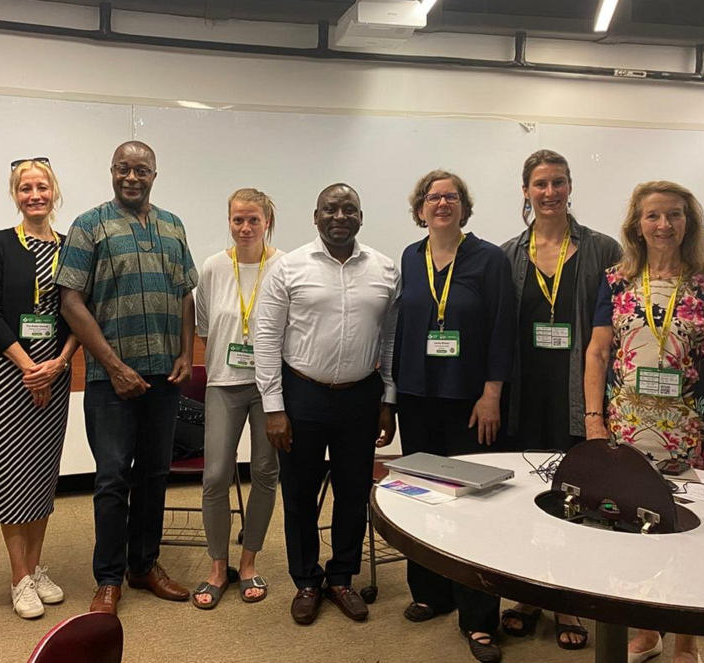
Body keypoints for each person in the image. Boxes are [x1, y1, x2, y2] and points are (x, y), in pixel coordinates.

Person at [584, 180, 704, 663]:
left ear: (688, 222)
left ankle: (685, 644)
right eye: (653, 216)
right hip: (625, 430)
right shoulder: (615, 281)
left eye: (674, 215)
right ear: (637, 224)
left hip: (692, 434)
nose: (663, 225)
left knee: (691, 535)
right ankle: (647, 630)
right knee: (633, 529)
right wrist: (593, 421)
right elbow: (597, 352)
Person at [56, 141, 198, 616]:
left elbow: (184, 294)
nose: (131, 177)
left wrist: (186, 352)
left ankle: (145, 565)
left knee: (155, 474)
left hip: (163, 377)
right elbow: (71, 302)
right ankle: (108, 578)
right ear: (111, 171)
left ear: (154, 174)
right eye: (123, 169)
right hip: (108, 380)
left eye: (141, 170)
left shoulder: (173, 225)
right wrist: (115, 367)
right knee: (113, 479)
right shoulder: (88, 225)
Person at [255, 183, 400, 626]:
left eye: (349, 209)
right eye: (331, 209)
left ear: (361, 216)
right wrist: (274, 407)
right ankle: (306, 580)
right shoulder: (289, 267)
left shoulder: (385, 269)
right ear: (316, 217)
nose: (340, 216)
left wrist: (389, 398)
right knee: (298, 492)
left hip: (361, 394)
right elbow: (265, 337)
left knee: (354, 491)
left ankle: (342, 578)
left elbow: (391, 339)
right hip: (302, 394)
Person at [499, 149, 620, 648]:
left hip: (579, 393)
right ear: (525, 191)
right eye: (540, 184)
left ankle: (568, 603)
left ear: (570, 187)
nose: (550, 193)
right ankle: (528, 593)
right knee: (529, 495)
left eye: (559, 182)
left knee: (577, 496)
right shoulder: (507, 253)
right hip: (526, 394)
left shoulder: (604, 250)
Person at [392, 170, 514, 663]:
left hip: (470, 402)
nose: (441, 203)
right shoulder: (409, 256)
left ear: (465, 207)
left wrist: (492, 393)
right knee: (422, 497)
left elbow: (503, 329)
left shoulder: (489, 259)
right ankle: (431, 593)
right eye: (433, 197)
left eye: (451, 197)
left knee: (474, 504)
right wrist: (393, 396)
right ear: (419, 207)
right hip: (418, 396)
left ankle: (480, 618)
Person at [0, 158, 81, 619]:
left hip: (56, 373)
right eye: (24, 188)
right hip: (9, 373)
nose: (33, 195)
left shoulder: (72, 246)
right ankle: (19, 577)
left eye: (41, 187)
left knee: (40, 472)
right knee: (10, 472)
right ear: (14, 194)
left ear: (54, 193)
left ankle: (35, 568)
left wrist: (57, 364)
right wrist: (28, 366)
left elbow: (81, 312)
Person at [192, 188, 284, 609]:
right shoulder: (212, 268)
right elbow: (207, 328)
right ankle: (217, 566)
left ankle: (248, 563)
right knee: (215, 476)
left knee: (265, 471)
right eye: (237, 220)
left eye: (254, 220)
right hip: (224, 383)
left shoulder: (284, 266)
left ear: (268, 222)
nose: (245, 228)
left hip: (270, 386)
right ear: (228, 222)